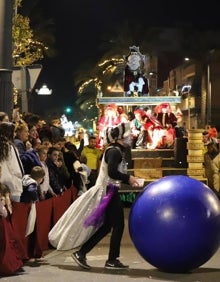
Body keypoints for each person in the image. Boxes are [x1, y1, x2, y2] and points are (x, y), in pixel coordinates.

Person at [48, 122, 140, 270]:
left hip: (109, 191)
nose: (130, 138)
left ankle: (82, 253)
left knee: (107, 227)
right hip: (108, 193)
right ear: (119, 137)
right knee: (118, 225)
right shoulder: (114, 151)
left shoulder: (115, 150)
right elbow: (112, 173)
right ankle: (111, 259)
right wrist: (129, 179)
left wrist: (127, 179)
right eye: (127, 135)